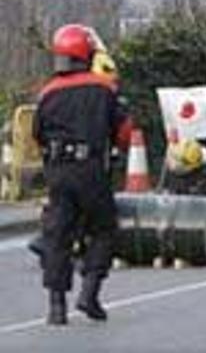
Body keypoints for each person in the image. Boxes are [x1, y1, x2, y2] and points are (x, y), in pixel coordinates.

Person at [33, 23, 133, 325]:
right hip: (90, 168)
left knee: (58, 234)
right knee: (103, 228)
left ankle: (56, 306)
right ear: (87, 53)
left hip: (58, 171)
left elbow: (37, 133)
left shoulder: (47, 92)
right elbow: (124, 131)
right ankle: (89, 293)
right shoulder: (104, 88)